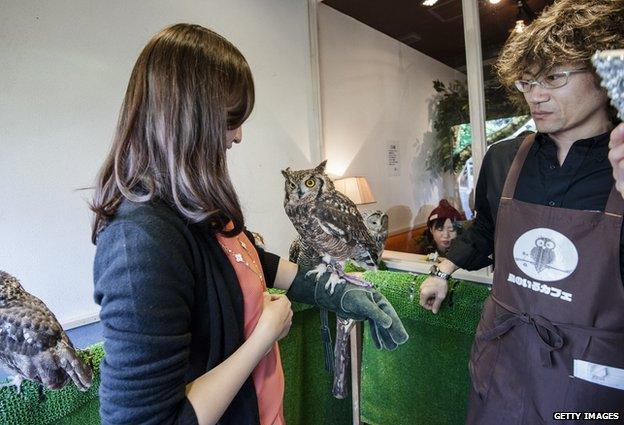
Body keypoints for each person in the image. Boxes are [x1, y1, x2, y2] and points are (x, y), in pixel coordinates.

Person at [91, 24, 407, 425]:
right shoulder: (139, 241)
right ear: (186, 120)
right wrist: (262, 338)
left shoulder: (197, 206)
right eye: (230, 119)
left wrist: (337, 291)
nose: (238, 136)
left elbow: (250, 260)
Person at [419, 0, 624, 422]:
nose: (536, 95)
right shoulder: (503, 159)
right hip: (504, 359)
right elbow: (485, 232)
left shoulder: (620, 164)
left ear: (605, 75)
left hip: (590, 376)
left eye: (554, 77)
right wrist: (442, 271)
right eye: (527, 82)